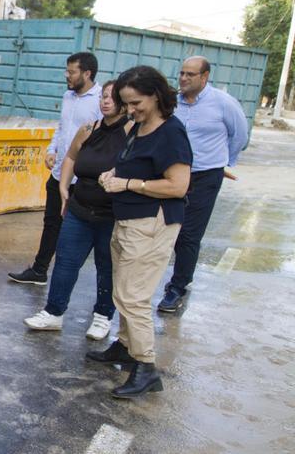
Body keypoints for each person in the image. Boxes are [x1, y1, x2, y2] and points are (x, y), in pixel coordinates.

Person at [88, 65, 192, 399]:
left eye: (136, 103)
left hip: (152, 222)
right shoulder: (138, 126)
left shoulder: (171, 132)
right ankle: (125, 345)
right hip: (128, 219)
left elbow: (178, 185)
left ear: (156, 95)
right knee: (123, 289)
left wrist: (128, 183)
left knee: (133, 296)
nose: (130, 110)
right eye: (127, 104)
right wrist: (112, 174)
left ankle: (146, 367)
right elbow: (133, 164)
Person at [24, 80, 132, 340]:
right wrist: (63, 186)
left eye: (112, 97)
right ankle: (54, 312)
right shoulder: (88, 129)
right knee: (66, 261)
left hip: (111, 214)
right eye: (103, 96)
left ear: (125, 103)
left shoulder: (132, 132)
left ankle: (103, 316)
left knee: (107, 266)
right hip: (80, 208)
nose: (105, 101)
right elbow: (71, 156)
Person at [158, 56, 249, 312]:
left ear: (205, 77)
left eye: (190, 74)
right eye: (182, 73)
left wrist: (222, 162)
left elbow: (240, 135)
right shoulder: (172, 102)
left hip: (204, 176)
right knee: (165, 226)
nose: (183, 78)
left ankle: (177, 287)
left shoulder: (223, 103)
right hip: (171, 174)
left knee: (189, 234)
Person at [8, 52, 103, 285]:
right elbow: (62, 128)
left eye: (71, 72)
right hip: (59, 172)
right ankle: (39, 270)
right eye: (66, 71)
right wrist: (51, 150)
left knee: (75, 230)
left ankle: (66, 277)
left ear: (87, 73)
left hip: (81, 179)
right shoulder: (68, 96)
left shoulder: (101, 100)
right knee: (51, 223)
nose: (66, 75)